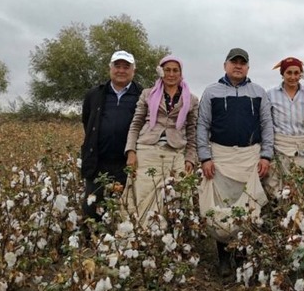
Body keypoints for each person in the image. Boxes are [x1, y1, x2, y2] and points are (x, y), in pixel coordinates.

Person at [197, 48, 274, 277]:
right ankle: (223, 258)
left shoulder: (258, 92)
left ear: (248, 67)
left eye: (242, 63)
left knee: (248, 208)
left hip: (250, 156)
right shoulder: (211, 92)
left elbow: (267, 125)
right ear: (225, 65)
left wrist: (266, 155)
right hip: (221, 157)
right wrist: (205, 157)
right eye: (234, 62)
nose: (238, 66)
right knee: (223, 208)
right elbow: (202, 125)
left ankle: (242, 258)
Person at [124, 55, 199, 230]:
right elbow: (136, 124)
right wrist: (131, 151)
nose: (171, 74)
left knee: (176, 196)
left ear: (181, 73)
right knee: (142, 196)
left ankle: (167, 241)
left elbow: (192, 131)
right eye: (167, 70)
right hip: (147, 150)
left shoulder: (192, 99)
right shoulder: (147, 94)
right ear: (161, 72)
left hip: (175, 152)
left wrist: (190, 158)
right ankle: (140, 237)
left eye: (175, 70)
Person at [81, 50, 142, 229]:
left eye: (126, 67)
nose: (121, 71)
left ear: (133, 70)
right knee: (93, 209)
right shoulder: (95, 94)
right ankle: (92, 246)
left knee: (125, 210)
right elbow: (87, 122)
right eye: (117, 66)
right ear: (110, 68)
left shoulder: (143, 95)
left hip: (128, 164)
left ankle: (119, 250)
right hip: (98, 162)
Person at [265, 57, 304, 196]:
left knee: (303, 186)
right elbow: (267, 124)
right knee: (277, 186)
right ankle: (280, 215)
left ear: (301, 74)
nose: (293, 77)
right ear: (282, 74)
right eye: (289, 73)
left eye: (296, 73)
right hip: (279, 147)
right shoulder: (270, 95)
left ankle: (300, 215)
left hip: (303, 149)